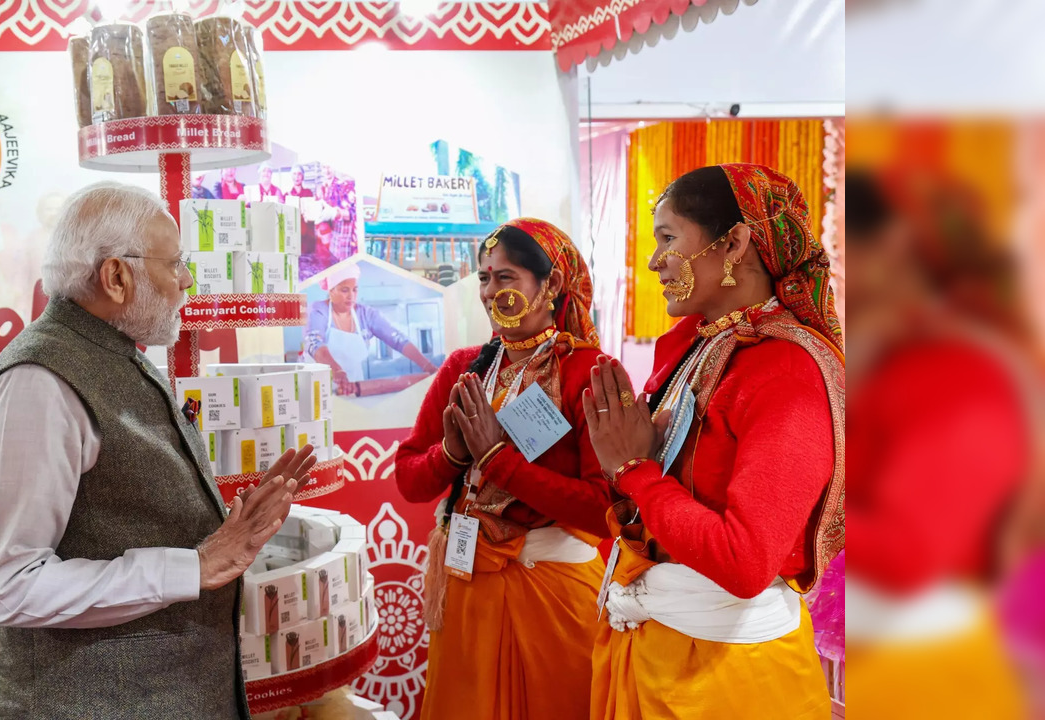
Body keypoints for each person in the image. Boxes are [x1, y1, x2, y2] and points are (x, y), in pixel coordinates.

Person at [0, 182, 317, 718]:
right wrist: (195, 565)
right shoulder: (38, 381)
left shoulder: (110, 353)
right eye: (174, 263)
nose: (185, 281)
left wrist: (228, 531)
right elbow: (10, 586)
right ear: (116, 277)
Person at [583, 164, 843, 719]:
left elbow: (745, 562)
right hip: (661, 649)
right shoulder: (695, 348)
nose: (654, 261)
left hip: (730, 680)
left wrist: (633, 468)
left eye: (668, 238)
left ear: (734, 243)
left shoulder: (786, 372)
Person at [395, 218, 612, 720]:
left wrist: (498, 460)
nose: (491, 292)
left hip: (553, 595)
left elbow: (603, 511)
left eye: (506, 277)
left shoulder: (589, 373)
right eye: (484, 278)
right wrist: (452, 454)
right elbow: (409, 479)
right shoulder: (464, 369)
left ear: (552, 284)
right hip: (469, 588)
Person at [841, 168, 1037, 718]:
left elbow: (912, 556)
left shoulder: (957, 370)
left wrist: (802, 492)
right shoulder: (875, 354)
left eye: (839, 255)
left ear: (894, 246)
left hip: (925, 669)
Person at [304, 263, 437, 394]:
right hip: (317, 385)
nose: (351, 295)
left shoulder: (366, 315)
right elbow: (314, 343)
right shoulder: (318, 311)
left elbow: (397, 339)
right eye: (345, 290)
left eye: (355, 289)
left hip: (352, 386)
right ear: (331, 290)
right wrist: (337, 371)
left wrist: (428, 366)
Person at [317, 164, 356, 261]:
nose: (326, 171)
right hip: (327, 239)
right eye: (323, 167)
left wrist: (336, 213)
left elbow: (353, 214)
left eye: (329, 166)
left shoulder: (344, 185)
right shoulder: (322, 188)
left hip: (342, 238)